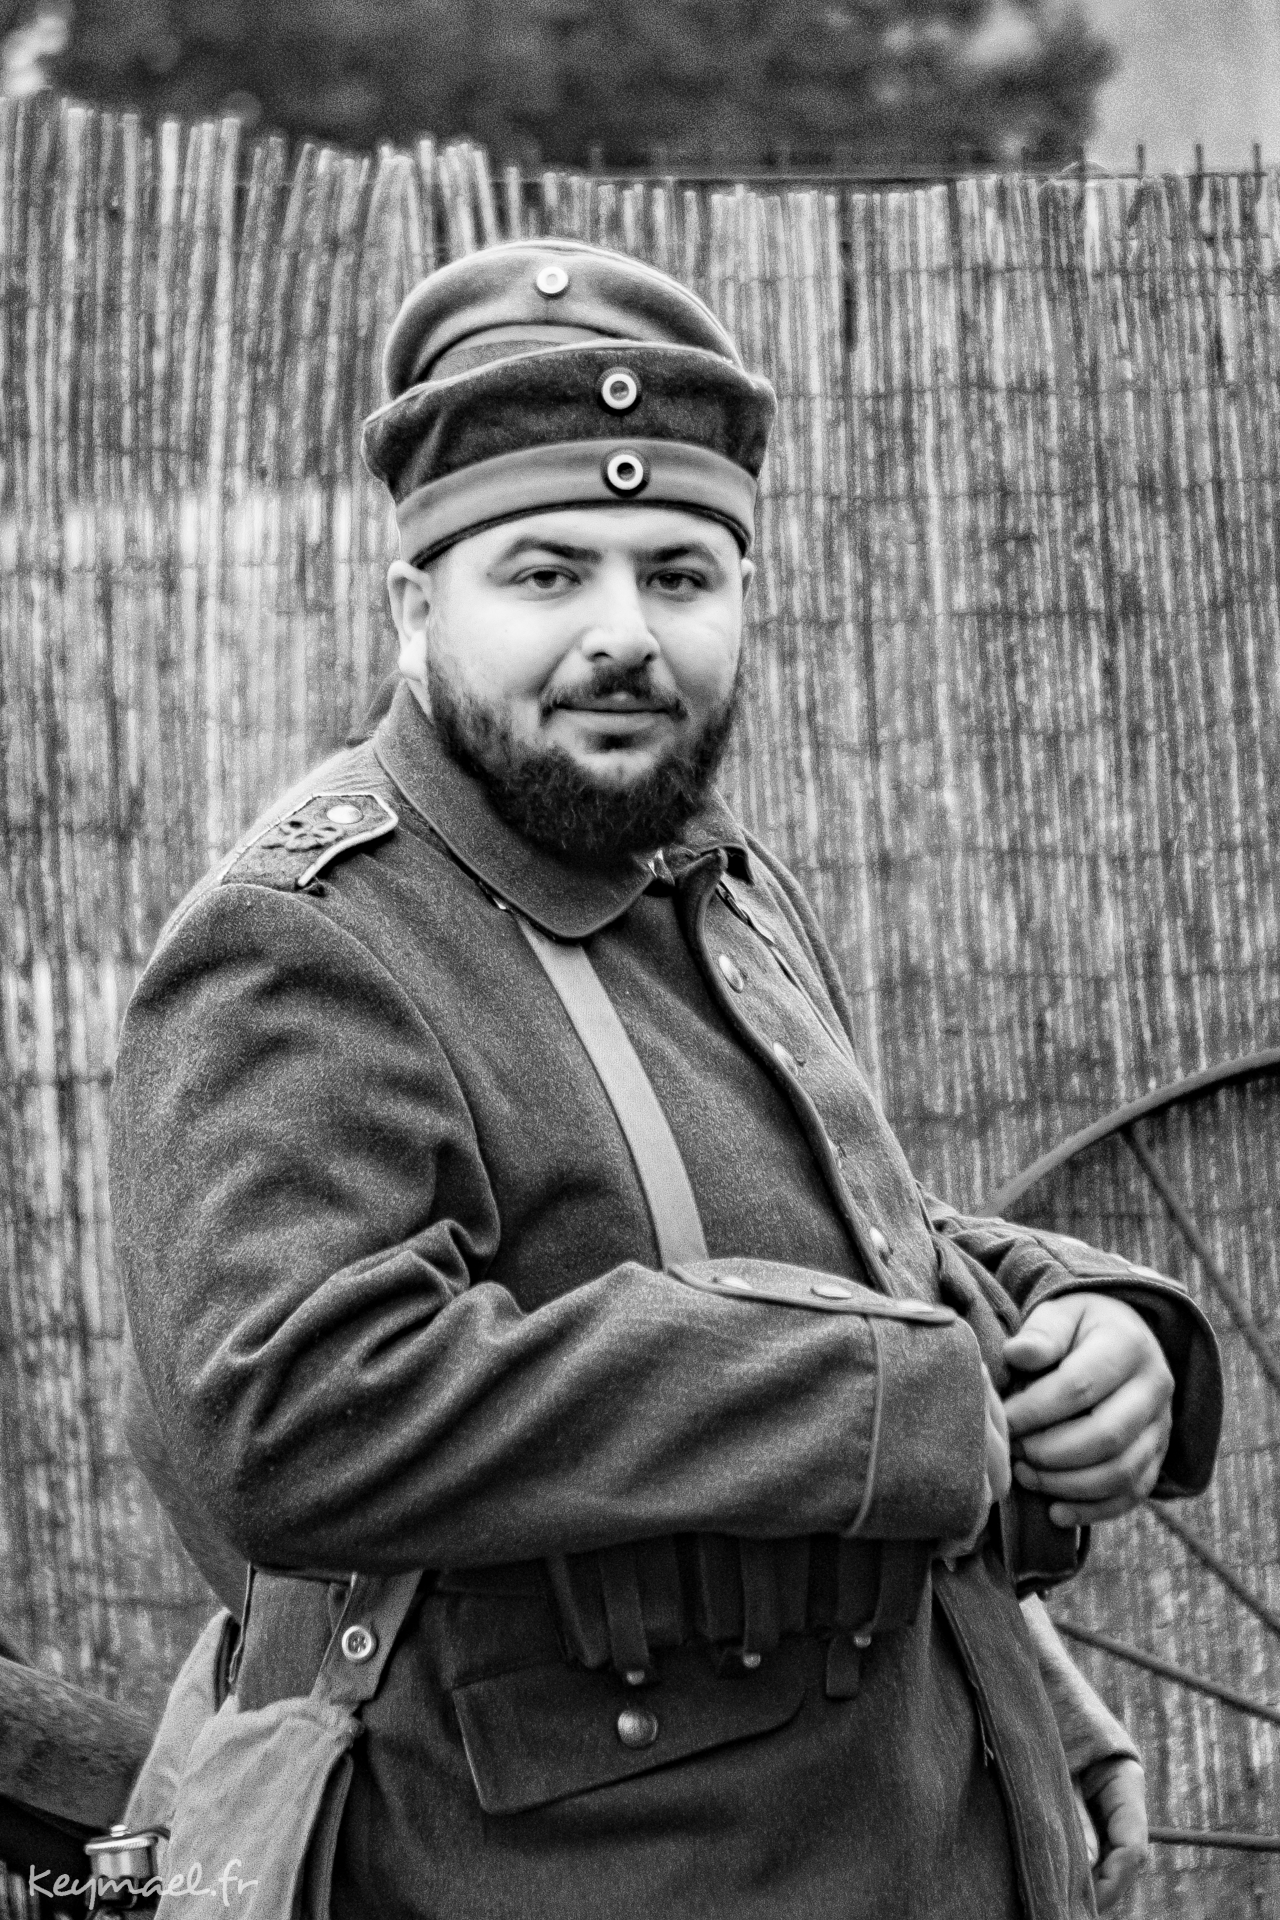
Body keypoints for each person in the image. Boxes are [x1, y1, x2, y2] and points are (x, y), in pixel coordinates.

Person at [109, 240, 1222, 1920]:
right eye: (549, 573)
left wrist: (1091, 1338)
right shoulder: (307, 938)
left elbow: (836, 1240)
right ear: (416, 609)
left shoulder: (712, 875)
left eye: (681, 575)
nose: (623, 636)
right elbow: (283, 1417)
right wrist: (882, 1405)